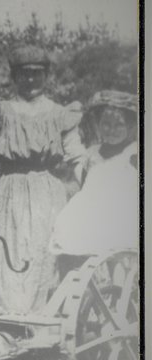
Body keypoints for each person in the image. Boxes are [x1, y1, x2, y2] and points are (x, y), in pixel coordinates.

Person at [0, 45, 86, 313]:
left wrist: (89, 185)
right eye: (24, 74)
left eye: (36, 74)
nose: (30, 80)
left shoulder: (58, 114)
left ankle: (37, 320)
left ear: (45, 76)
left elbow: (76, 154)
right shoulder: (2, 110)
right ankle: (5, 318)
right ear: (15, 76)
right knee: (3, 250)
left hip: (45, 191)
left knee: (40, 252)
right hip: (7, 189)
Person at [50, 89, 139, 269]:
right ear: (98, 124)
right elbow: (85, 185)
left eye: (119, 125)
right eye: (106, 124)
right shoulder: (92, 153)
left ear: (131, 127)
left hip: (120, 215)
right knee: (80, 250)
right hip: (92, 214)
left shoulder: (133, 154)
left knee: (120, 264)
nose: (111, 130)